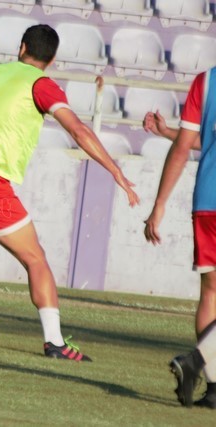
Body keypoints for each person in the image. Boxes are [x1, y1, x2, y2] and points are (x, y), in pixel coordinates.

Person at [0, 24, 139, 361]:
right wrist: (116, 171)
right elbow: (78, 129)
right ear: (51, 58)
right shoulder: (42, 85)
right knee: (35, 258)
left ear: (21, 46)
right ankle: (54, 341)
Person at [143, 67, 216, 409]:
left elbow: (189, 144)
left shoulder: (207, 80)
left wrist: (159, 205)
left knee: (211, 293)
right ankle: (195, 361)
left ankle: (214, 391)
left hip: (206, 202)